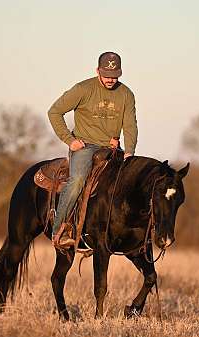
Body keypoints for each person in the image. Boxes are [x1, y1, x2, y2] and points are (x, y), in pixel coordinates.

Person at [48, 51, 138, 249]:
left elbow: (130, 125)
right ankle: (59, 230)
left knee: (129, 183)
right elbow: (54, 112)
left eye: (115, 76)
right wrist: (69, 140)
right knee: (78, 180)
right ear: (97, 71)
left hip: (112, 149)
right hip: (85, 146)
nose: (111, 80)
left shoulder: (126, 94)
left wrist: (129, 151)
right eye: (106, 75)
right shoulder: (83, 89)